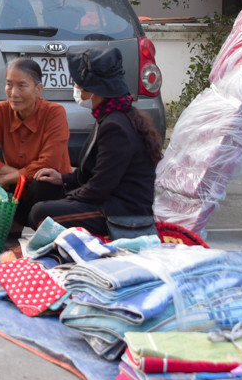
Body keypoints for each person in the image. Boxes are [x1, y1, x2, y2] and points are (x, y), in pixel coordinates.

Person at [30, 47, 162, 238]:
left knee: (40, 213)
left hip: (121, 211)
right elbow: (91, 173)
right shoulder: (109, 116)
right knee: (43, 187)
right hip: (105, 199)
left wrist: (67, 199)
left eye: (78, 84)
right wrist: (63, 179)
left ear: (93, 90)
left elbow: (99, 187)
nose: (75, 88)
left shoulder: (116, 126)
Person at [0, 57, 72, 229]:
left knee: (42, 183)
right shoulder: (1, 110)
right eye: (9, 84)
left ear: (38, 89)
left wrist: (6, 178)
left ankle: (24, 226)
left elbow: (49, 164)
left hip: (44, 191)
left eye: (22, 86)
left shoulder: (55, 113)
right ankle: (4, 225)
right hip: (16, 188)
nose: (14, 93)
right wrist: (14, 175)